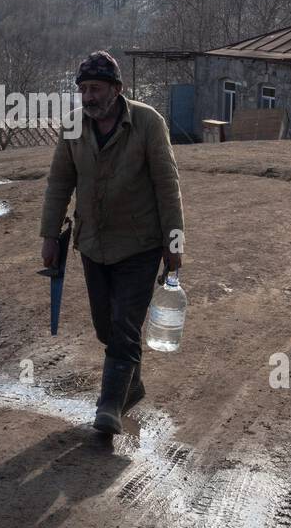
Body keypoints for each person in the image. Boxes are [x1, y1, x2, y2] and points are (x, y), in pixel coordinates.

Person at [39, 51, 185, 435]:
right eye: (83, 89)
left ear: (117, 90)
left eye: (96, 89)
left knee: (124, 325)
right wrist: (49, 237)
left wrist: (174, 243)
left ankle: (108, 407)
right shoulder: (73, 127)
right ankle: (131, 385)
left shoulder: (148, 122)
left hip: (140, 244)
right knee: (105, 327)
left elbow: (167, 185)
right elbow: (58, 184)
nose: (88, 97)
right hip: (92, 243)